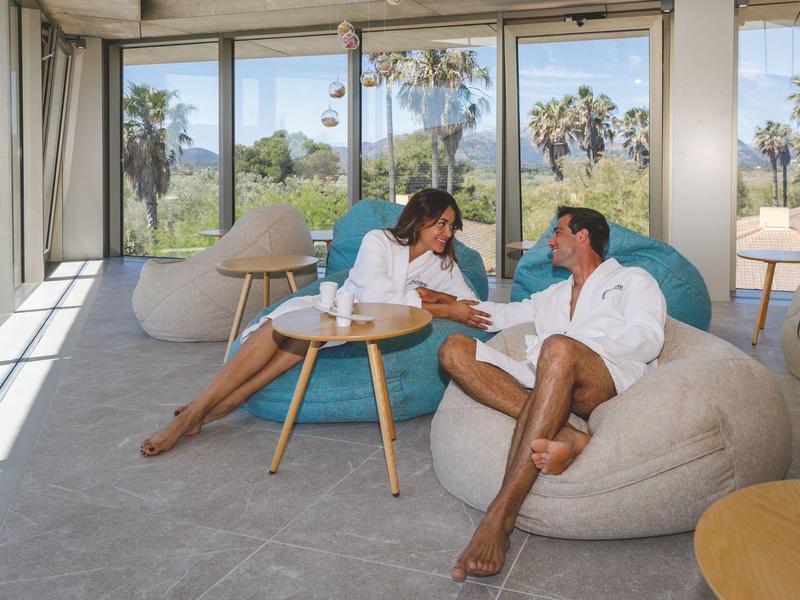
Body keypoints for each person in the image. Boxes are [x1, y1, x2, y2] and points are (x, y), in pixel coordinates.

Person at [140, 189, 491, 457]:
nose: (447, 233)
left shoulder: (441, 263)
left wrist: (437, 295)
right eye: (441, 223)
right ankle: (199, 412)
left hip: (363, 327)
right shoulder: (379, 241)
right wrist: (439, 304)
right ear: (419, 218)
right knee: (277, 332)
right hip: (338, 307)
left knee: (292, 348)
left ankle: (205, 412)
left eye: (452, 226)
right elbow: (378, 296)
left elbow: (471, 302)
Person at [437, 206, 666, 582]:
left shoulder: (632, 279)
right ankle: (564, 432)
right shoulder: (553, 295)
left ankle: (500, 517)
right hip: (546, 378)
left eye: (557, 232)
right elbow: (501, 314)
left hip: (605, 377)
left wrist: (581, 349)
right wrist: (446, 307)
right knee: (453, 349)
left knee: (558, 347)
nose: (550, 241)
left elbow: (649, 337)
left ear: (583, 236)